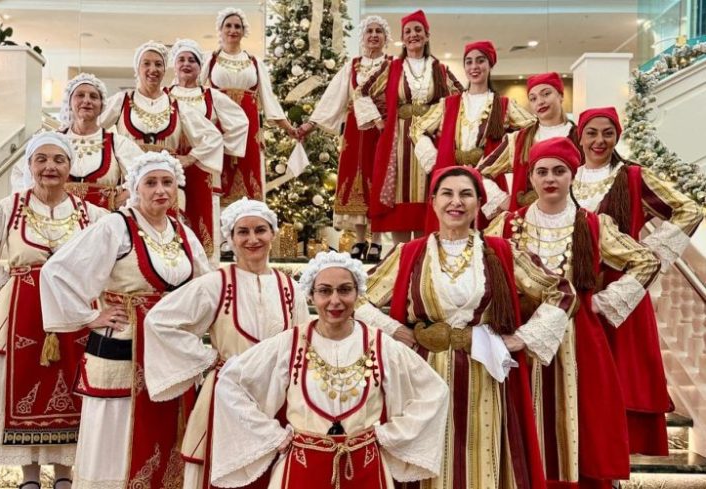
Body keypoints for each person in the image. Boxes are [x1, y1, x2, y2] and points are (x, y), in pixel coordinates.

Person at [355, 166, 577, 488]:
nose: (456, 202)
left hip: (484, 373)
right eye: (447, 193)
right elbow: (357, 297)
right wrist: (396, 331)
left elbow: (562, 292)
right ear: (433, 202)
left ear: (479, 204)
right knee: (428, 458)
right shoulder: (409, 253)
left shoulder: (501, 251)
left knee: (479, 457)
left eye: (466, 194)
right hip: (423, 376)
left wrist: (522, 339)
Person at [486, 137, 662, 488]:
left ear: (573, 175)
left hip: (579, 338)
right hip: (521, 335)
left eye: (559, 171)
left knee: (582, 417)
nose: (550, 179)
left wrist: (602, 302)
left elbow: (647, 261)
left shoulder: (593, 224)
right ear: (530, 177)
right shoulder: (506, 224)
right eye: (542, 172)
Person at [208, 251, 450, 488]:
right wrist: (272, 436)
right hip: (301, 472)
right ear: (311, 295)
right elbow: (230, 383)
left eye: (344, 290)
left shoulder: (379, 344)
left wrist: (390, 436)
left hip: (365, 470)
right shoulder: (289, 343)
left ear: (357, 294)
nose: (335, 300)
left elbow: (434, 391)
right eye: (324, 291)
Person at [40, 151, 211, 489]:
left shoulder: (182, 232)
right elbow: (57, 271)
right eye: (151, 183)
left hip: (169, 350)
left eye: (167, 182)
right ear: (135, 187)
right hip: (121, 346)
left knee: (166, 426)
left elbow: (206, 286)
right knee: (118, 433)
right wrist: (92, 316)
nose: (160, 190)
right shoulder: (115, 226)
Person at [0, 133, 107, 489]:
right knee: (22, 383)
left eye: (58, 160)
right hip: (22, 309)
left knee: (73, 385)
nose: (50, 167)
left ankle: (65, 475)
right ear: (29, 166)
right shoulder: (9, 208)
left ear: (70, 167)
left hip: (75, 312)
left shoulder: (93, 215)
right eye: (41, 159)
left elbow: (114, 259)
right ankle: (29, 478)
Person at [143, 197, 310, 489]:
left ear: (272, 233)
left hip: (277, 395)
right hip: (227, 395)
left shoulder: (290, 287)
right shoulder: (216, 283)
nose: (253, 239)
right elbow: (160, 321)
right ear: (230, 239)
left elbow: (305, 343)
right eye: (243, 232)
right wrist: (208, 359)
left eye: (260, 230)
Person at [573, 107, 703, 455]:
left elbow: (690, 210)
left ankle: (615, 460)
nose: (599, 140)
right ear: (580, 136)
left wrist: (651, 251)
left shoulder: (633, 176)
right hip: (575, 288)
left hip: (623, 289)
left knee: (621, 375)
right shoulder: (566, 174)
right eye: (592, 133)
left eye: (608, 133)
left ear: (617, 136)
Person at [409, 40, 534, 231]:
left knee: (485, 237)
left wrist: (505, 156)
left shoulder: (503, 105)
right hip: (452, 176)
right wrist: (435, 161)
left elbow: (532, 129)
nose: (474, 66)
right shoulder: (448, 104)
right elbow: (416, 129)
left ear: (490, 64)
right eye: (469, 62)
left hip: (487, 181)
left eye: (480, 60)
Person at [297, 16, 392, 263]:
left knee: (379, 180)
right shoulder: (353, 65)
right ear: (363, 37)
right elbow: (334, 96)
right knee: (354, 180)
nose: (374, 35)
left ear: (386, 38)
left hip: (381, 130)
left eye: (379, 31)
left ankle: (377, 240)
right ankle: (360, 240)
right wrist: (311, 124)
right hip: (354, 131)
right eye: (369, 31)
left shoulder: (392, 66)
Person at [363, 9, 462, 246]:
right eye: (407, 31)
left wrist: (442, 124)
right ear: (402, 38)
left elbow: (460, 98)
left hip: (430, 140)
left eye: (418, 30)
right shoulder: (392, 67)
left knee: (427, 193)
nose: (413, 35)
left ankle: (422, 255)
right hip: (398, 142)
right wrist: (379, 121)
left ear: (427, 36)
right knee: (400, 195)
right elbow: (363, 92)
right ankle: (401, 256)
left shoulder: (439, 69)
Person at [100, 41, 224, 194]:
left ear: (164, 70)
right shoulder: (121, 100)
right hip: (131, 189)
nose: (153, 69)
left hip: (167, 189)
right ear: (137, 68)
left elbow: (213, 136)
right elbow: (91, 128)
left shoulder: (178, 106)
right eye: (146, 63)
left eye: (158, 64)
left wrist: (190, 158)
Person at [204, 8, 298, 206]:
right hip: (219, 129)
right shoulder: (210, 60)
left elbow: (269, 99)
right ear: (220, 29)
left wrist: (288, 128)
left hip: (249, 131)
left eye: (237, 26)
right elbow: (195, 93)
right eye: (228, 26)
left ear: (243, 31)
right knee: (220, 177)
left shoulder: (254, 62)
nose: (233, 30)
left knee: (250, 176)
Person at [167, 39, 249, 261]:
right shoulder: (163, 96)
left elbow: (240, 123)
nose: (186, 64)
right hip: (171, 163)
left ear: (199, 66)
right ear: (174, 65)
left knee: (204, 218)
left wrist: (218, 149)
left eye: (192, 60)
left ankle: (205, 267)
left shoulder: (212, 96)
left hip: (204, 165)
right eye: (181, 59)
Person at [11, 73, 144, 210]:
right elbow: (20, 172)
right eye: (80, 95)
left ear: (102, 105)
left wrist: (126, 196)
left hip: (103, 220)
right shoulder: (50, 142)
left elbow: (145, 174)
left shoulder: (117, 143)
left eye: (93, 96)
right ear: (69, 102)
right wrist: (35, 202)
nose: (87, 100)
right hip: (56, 219)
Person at [477, 71, 578, 215]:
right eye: (533, 98)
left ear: (561, 96)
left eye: (546, 94)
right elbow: (480, 173)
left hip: (570, 218)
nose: (540, 102)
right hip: (527, 220)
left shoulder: (580, 137)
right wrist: (503, 200)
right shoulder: (518, 139)